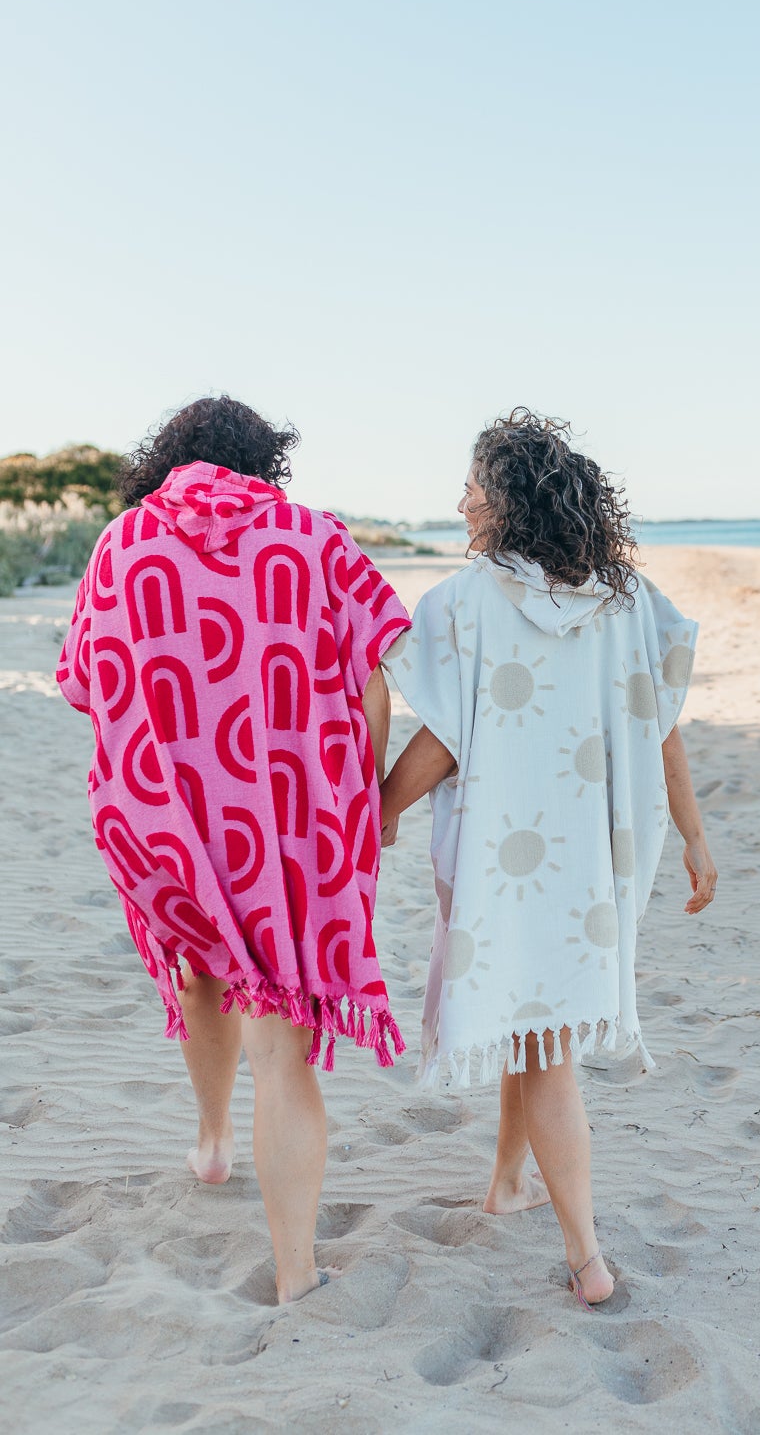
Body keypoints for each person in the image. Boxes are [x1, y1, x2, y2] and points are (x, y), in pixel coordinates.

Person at [57, 396, 411, 1303]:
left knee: (200, 964)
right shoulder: (315, 538)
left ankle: (213, 1143)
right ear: (265, 461)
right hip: (287, 822)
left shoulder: (122, 543)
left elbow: (86, 683)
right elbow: (374, 678)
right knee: (281, 1048)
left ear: (168, 458)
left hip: (164, 812)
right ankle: (296, 1274)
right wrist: (364, 797)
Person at [379, 408, 717, 1308]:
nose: (460, 500)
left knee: (544, 1043)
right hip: (598, 859)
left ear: (507, 502)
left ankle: (586, 1256)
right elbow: (665, 727)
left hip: (503, 858)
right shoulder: (630, 599)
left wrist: (377, 812)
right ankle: (505, 1183)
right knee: (535, 1025)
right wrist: (691, 832)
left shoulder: (464, 601)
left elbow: (443, 736)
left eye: (473, 486)